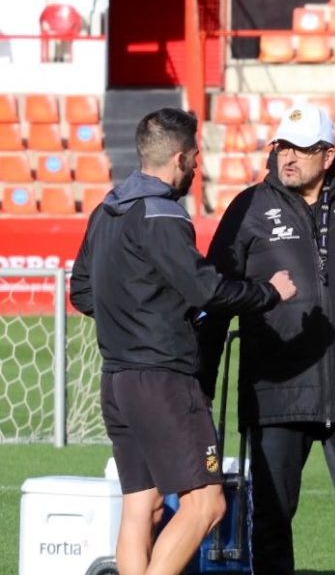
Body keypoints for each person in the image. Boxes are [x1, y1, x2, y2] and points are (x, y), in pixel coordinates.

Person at [69, 107, 297, 575]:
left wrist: (137, 312)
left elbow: (83, 293)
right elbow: (207, 288)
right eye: (195, 157)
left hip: (117, 380)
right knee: (206, 506)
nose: (198, 167)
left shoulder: (106, 209)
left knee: (143, 508)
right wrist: (271, 292)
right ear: (179, 158)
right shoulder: (163, 213)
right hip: (165, 382)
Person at [199, 103, 335, 574]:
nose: (287, 157)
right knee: (272, 519)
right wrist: (201, 383)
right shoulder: (248, 208)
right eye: (281, 146)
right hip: (276, 391)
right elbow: (214, 295)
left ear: (329, 155)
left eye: (301, 148)